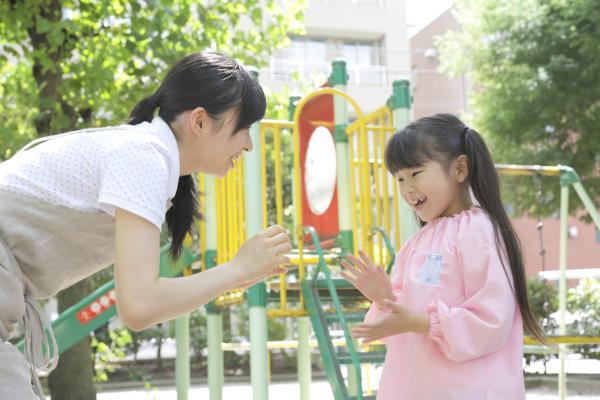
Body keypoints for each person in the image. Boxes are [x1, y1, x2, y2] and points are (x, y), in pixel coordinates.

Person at [0, 52, 291, 399]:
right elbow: (138, 305)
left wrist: (239, 272)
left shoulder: (149, 157)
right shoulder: (144, 156)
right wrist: (238, 269)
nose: (248, 144)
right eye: (243, 127)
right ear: (199, 122)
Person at [341, 113, 547, 399]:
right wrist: (382, 296)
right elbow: (401, 325)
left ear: (460, 169)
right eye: (399, 179)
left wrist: (419, 322)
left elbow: (490, 322)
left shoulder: (479, 232)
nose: (406, 188)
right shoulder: (416, 244)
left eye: (415, 174)